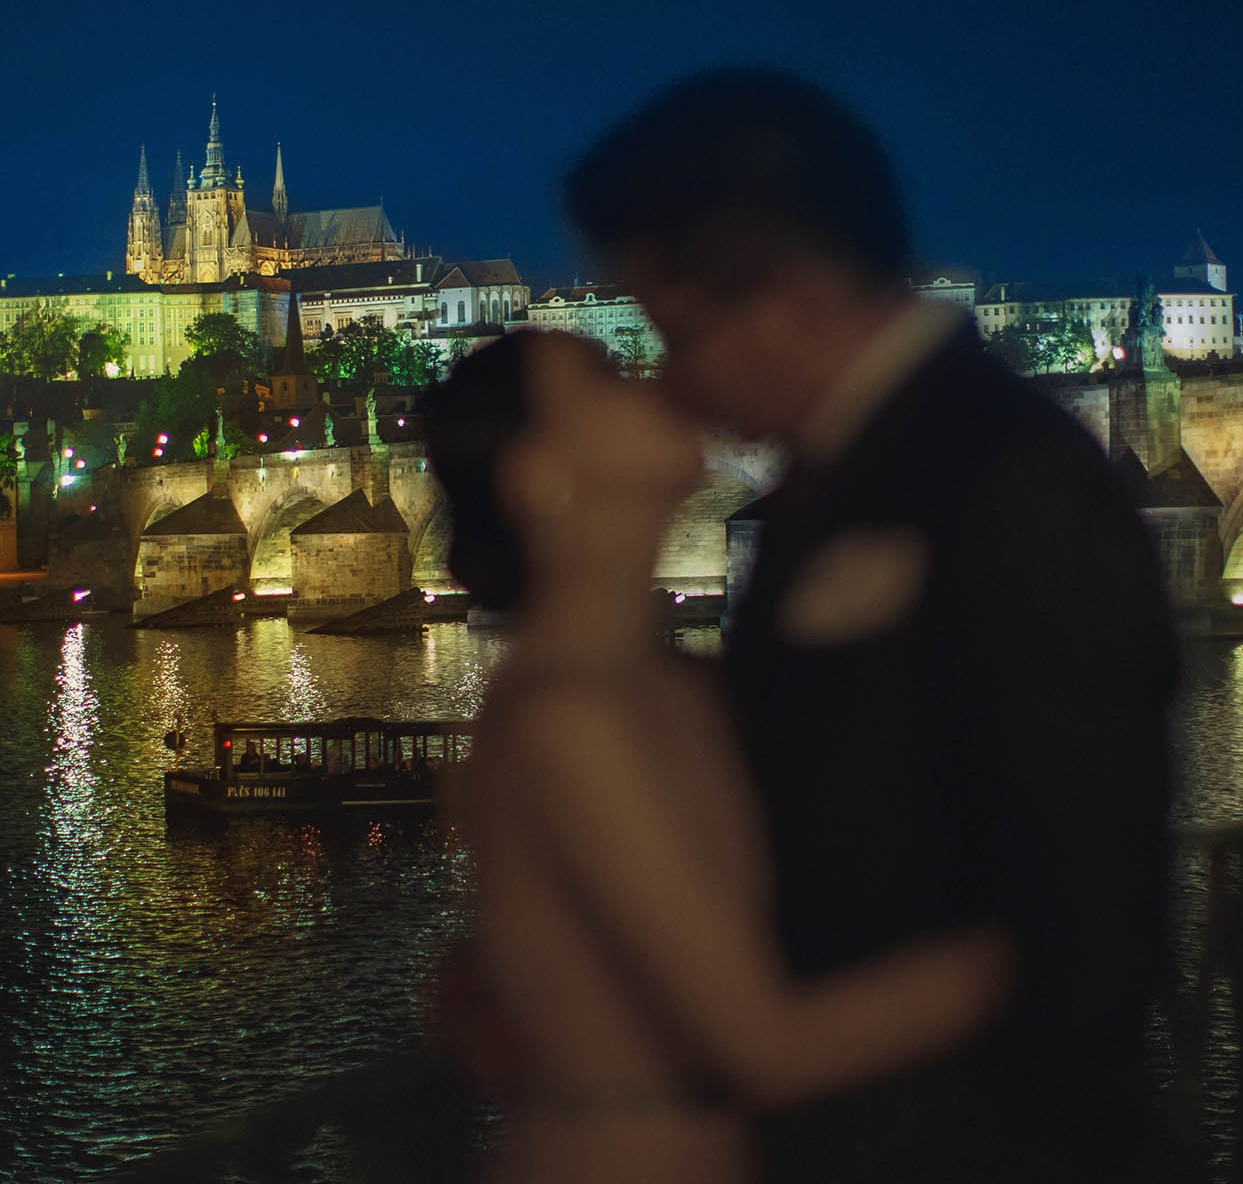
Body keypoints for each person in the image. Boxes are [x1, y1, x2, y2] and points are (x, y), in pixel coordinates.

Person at [561, 68, 1182, 1182]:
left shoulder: (1007, 479)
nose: (676, 387)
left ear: (789, 294)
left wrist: (750, 1057)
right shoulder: (839, 482)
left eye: (677, 332)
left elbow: (1088, 908)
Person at [427, 332, 1012, 1184]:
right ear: (540, 475)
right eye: (607, 381)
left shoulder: (678, 684)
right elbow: (767, 1046)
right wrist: (1037, 942)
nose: (655, 380)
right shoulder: (567, 717)